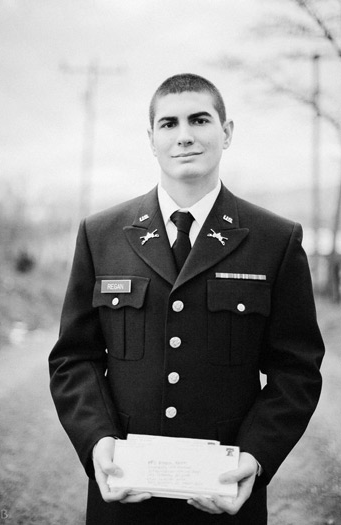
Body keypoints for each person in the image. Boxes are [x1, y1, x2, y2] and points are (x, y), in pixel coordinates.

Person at [49, 73, 324, 524]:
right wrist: (98, 441)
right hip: (124, 494)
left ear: (227, 132)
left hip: (224, 496)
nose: (184, 136)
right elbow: (72, 358)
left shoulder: (275, 239)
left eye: (199, 120)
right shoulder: (101, 235)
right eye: (168, 124)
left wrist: (254, 458)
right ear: (151, 139)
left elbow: (296, 369)